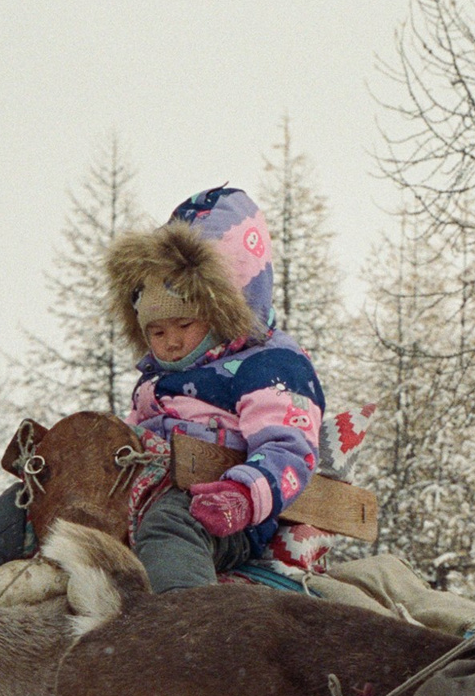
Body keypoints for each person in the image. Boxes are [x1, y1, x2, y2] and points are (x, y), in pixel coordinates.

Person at [104, 187, 325, 592]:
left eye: (184, 325)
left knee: (171, 525)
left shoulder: (270, 364)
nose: (170, 342)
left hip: (216, 509)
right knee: (39, 501)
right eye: (156, 331)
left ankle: (184, 632)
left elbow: (288, 446)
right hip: (138, 491)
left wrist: (242, 493)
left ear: (224, 308)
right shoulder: (156, 380)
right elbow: (129, 434)